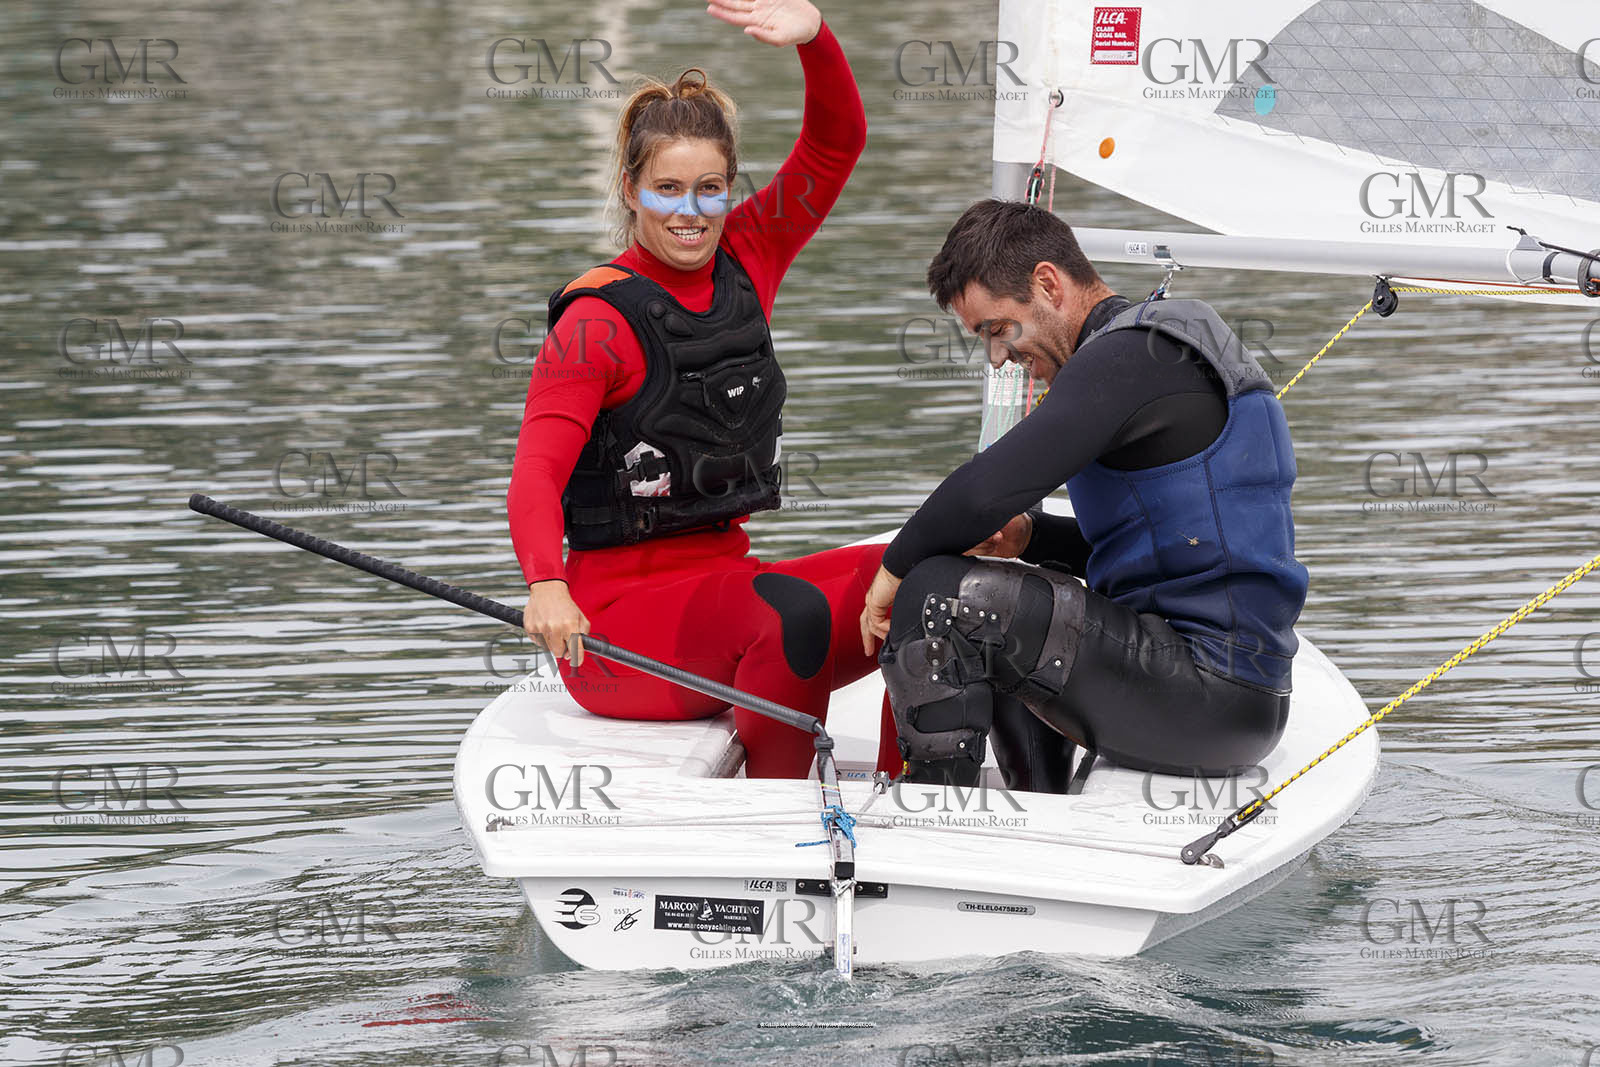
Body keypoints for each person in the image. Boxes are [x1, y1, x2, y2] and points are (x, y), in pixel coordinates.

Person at [508, 0, 899, 779]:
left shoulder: (751, 253)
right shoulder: (594, 323)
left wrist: (817, 39)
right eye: (669, 189)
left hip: (726, 588)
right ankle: (782, 817)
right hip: (614, 635)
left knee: (930, 572)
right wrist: (546, 583)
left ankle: (908, 797)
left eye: (710, 189)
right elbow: (536, 473)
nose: (692, 212)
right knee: (789, 615)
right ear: (631, 189)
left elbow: (835, 144)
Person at [860, 199, 1309, 790]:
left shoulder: (1132, 356)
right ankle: (1038, 802)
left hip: (1213, 698)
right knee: (1017, 579)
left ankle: (940, 825)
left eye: (997, 329)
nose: (998, 357)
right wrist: (1031, 535)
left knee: (940, 594)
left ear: (1048, 284)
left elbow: (980, 492)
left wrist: (891, 574)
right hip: (1224, 695)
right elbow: (1167, 551)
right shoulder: (1161, 346)